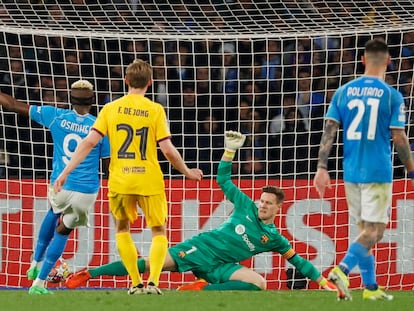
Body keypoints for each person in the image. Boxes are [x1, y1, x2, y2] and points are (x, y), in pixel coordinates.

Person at [66, 131, 340, 295]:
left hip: (221, 268)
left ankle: (201, 288)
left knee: (259, 283)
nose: (262, 204)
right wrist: (230, 151)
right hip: (200, 249)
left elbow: (300, 262)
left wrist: (322, 281)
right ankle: (89, 273)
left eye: (268, 203)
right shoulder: (245, 205)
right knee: (150, 265)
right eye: (262, 200)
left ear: (278, 208)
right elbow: (224, 180)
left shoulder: (274, 238)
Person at [54, 59, 203, 295]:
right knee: (158, 231)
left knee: (122, 230)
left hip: (121, 181)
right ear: (150, 83)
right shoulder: (155, 110)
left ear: (126, 80)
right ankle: (153, 282)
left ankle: (135, 283)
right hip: (149, 180)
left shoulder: (110, 108)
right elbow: (167, 150)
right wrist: (187, 171)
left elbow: (90, 142)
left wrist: (65, 172)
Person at [313, 38, 414, 301]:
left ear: (362, 60)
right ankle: (342, 269)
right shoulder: (392, 95)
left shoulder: (343, 91)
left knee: (364, 231)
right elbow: (399, 137)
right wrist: (412, 171)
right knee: (375, 231)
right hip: (378, 171)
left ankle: (370, 289)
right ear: (389, 61)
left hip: (351, 171)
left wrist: (322, 167)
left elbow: (329, 131)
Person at [0, 80, 110, 295]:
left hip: (60, 184)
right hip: (85, 190)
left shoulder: (55, 116)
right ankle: (39, 283)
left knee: (53, 211)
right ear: (93, 100)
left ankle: (34, 262)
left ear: (70, 99)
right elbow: (108, 167)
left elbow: (12, 104)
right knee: (64, 230)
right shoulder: (100, 127)